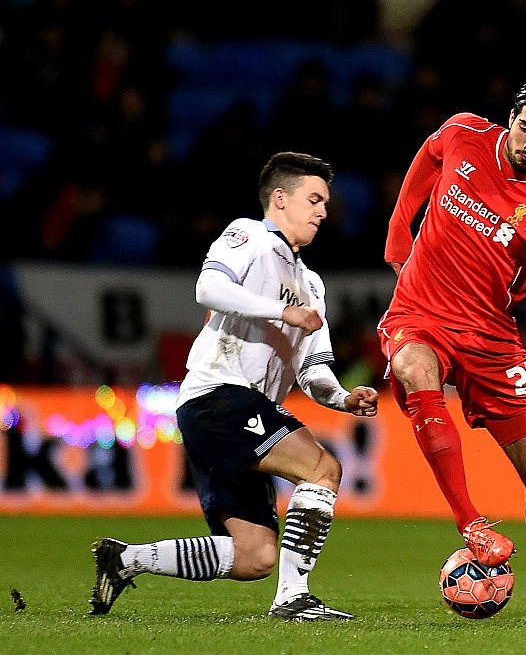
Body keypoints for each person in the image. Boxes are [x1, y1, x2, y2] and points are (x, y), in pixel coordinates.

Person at [89, 152, 379, 621]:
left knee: (255, 556)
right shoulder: (249, 236)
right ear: (279, 199)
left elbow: (314, 369)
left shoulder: (313, 284)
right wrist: (281, 312)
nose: (323, 211)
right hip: (218, 395)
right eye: (314, 199)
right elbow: (208, 287)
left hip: (242, 409)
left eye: (325, 202)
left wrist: (343, 397)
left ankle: (126, 560)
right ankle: (294, 598)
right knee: (323, 469)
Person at [379, 72, 526, 621]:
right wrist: (400, 227)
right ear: (511, 117)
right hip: (421, 311)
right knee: (413, 367)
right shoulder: (465, 132)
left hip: (491, 337)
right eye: (524, 128)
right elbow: (430, 153)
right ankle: (472, 524)